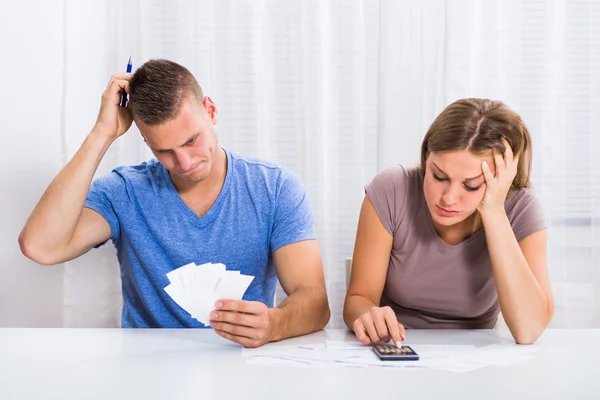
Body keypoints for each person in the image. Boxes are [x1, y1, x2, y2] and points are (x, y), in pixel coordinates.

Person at [19, 59, 330, 348]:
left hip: (241, 364)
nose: (183, 162)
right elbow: (41, 247)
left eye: (191, 140)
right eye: (164, 151)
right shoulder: (124, 192)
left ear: (211, 111)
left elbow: (315, 303)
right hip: (145, 369)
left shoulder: (275, 189)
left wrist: (274, 325)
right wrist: (103, 133)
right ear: (146, 142)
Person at [343, 98, 553, 346]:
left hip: (474, 358)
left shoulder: (521, 209)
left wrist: (494, 212)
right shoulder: (392, 190)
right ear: (426, 158)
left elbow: (528, 330)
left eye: (471, 184)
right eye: (439, 176)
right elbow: (358, 299)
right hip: (398, 349)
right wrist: (369, 316)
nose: (449, 198)